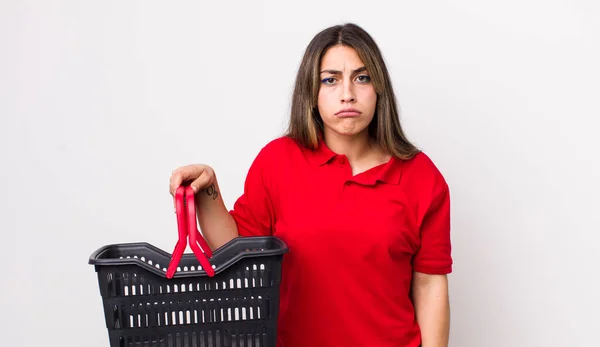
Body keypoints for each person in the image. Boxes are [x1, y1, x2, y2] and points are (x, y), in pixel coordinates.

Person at [169, 23, 452, 347]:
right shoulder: (278, 161)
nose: (348, 93)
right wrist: (208, 190)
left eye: (362, 77)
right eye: (330, 80)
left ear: (379, 89)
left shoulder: (421, 176)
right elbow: (235, 253)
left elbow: (430, 286)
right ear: (311, 93)